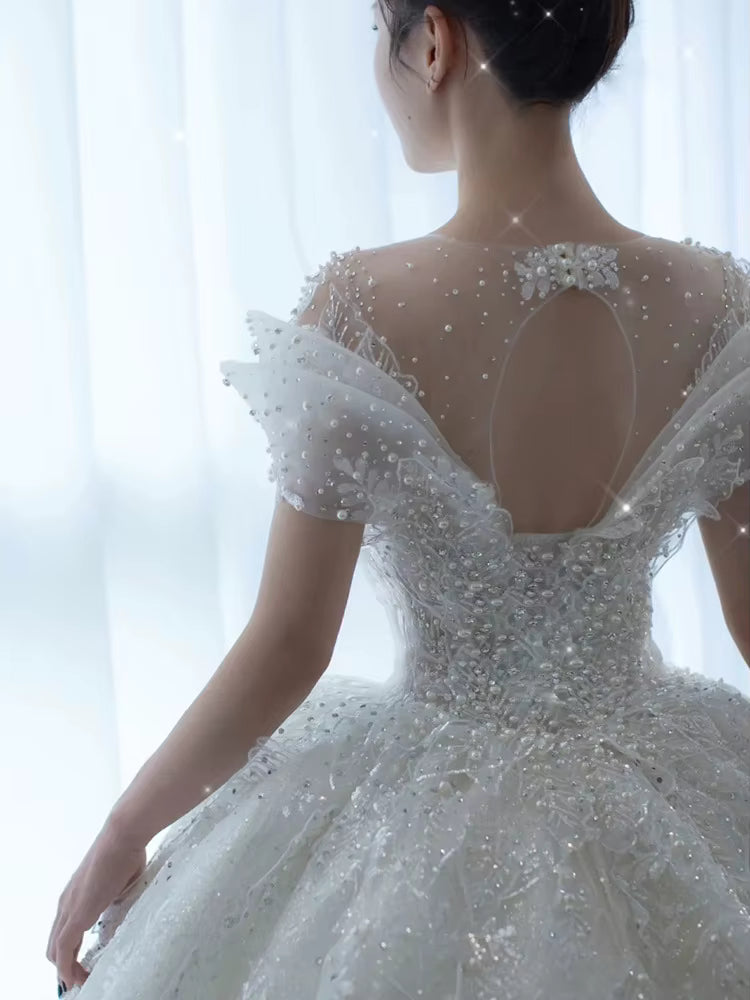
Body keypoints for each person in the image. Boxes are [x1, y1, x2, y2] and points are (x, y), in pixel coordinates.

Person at [48, 2, 750, 997]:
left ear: (433, 43)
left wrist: (125, 828)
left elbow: (290, 643)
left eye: (377, 31)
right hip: (673, 799)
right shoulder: (717, 303)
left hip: (417, 811)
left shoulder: (362, 307)